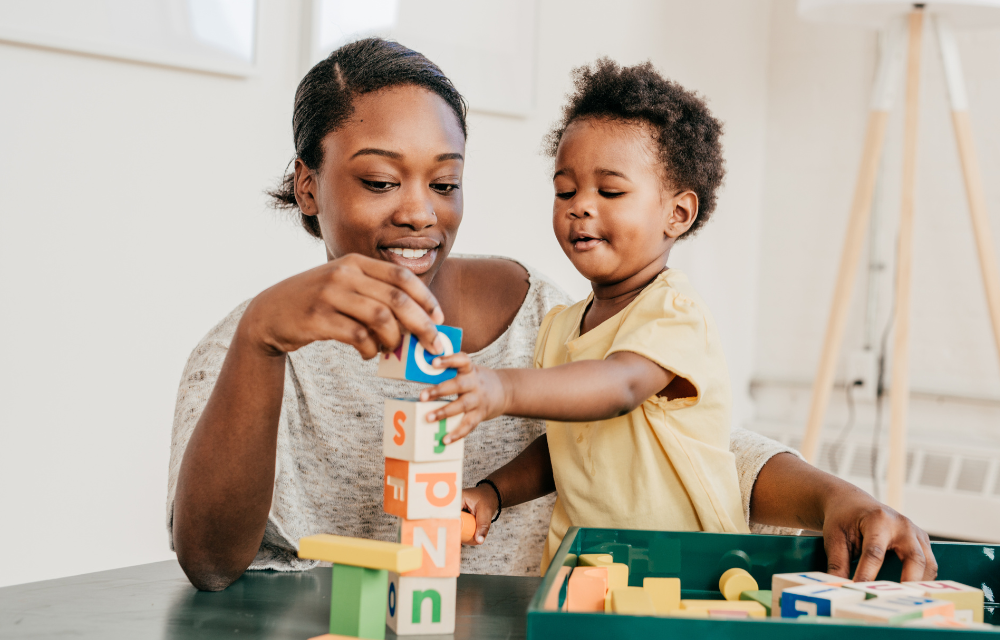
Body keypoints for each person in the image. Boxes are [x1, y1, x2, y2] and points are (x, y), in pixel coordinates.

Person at [167, 37, 937, 592]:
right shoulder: (249, 345)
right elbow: (208, 563)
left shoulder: (552, 312)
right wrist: (262, 341)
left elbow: (691, 445)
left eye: (445, 183)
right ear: (309, 187)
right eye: (377, 181)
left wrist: (841, 496)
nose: (417, 213)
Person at [421, 59, 749, 570]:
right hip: (585, 570)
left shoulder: (673, 312)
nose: (580, 207)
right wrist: (492, 492)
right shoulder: (560, 327)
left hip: (686, 573)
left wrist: (501, 388)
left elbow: (618, 388)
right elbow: (567, 448)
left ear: (677, 214)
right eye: (566, 191)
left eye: (610, 192)